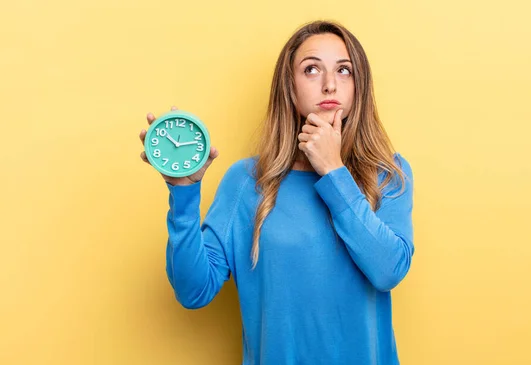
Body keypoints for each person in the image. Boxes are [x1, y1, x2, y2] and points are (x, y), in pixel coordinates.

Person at [139, 20, 414, 365]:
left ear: (360, 86)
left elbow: (388, 270)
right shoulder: (246, 182)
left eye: (344, 71)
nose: (330, 85)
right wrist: (183, 193)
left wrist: (334, 171)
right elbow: (194, 291)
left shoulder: (388, 175)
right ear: (290, 86)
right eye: (312, 69)